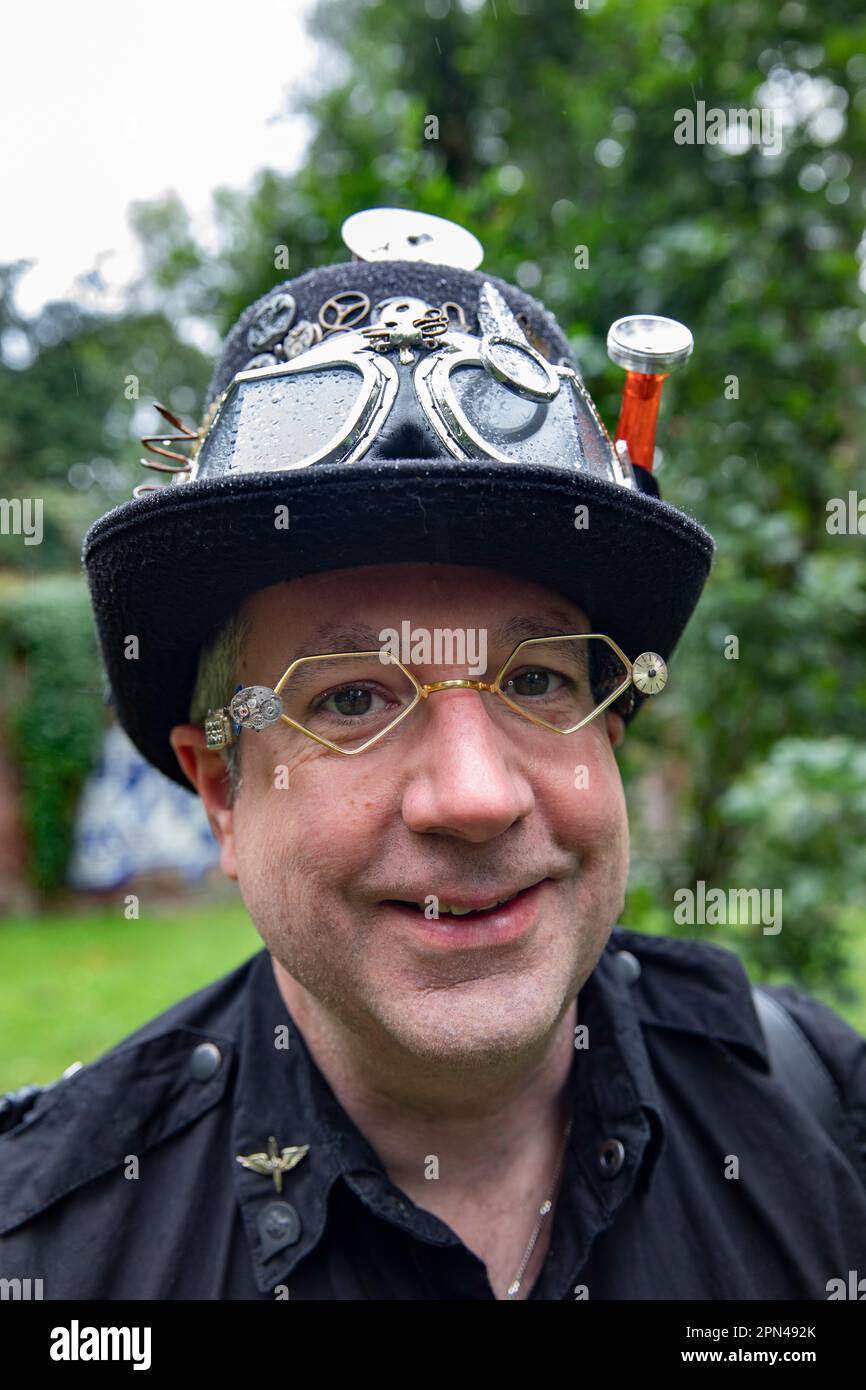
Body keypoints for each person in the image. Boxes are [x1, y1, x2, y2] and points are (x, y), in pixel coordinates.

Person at [1, 210, 864, 1301]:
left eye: (538, 679)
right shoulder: (51, 1259)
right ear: (222, 791)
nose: (474, 795)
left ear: (609, 725)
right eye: (352, 697)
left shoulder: (820, 1120)